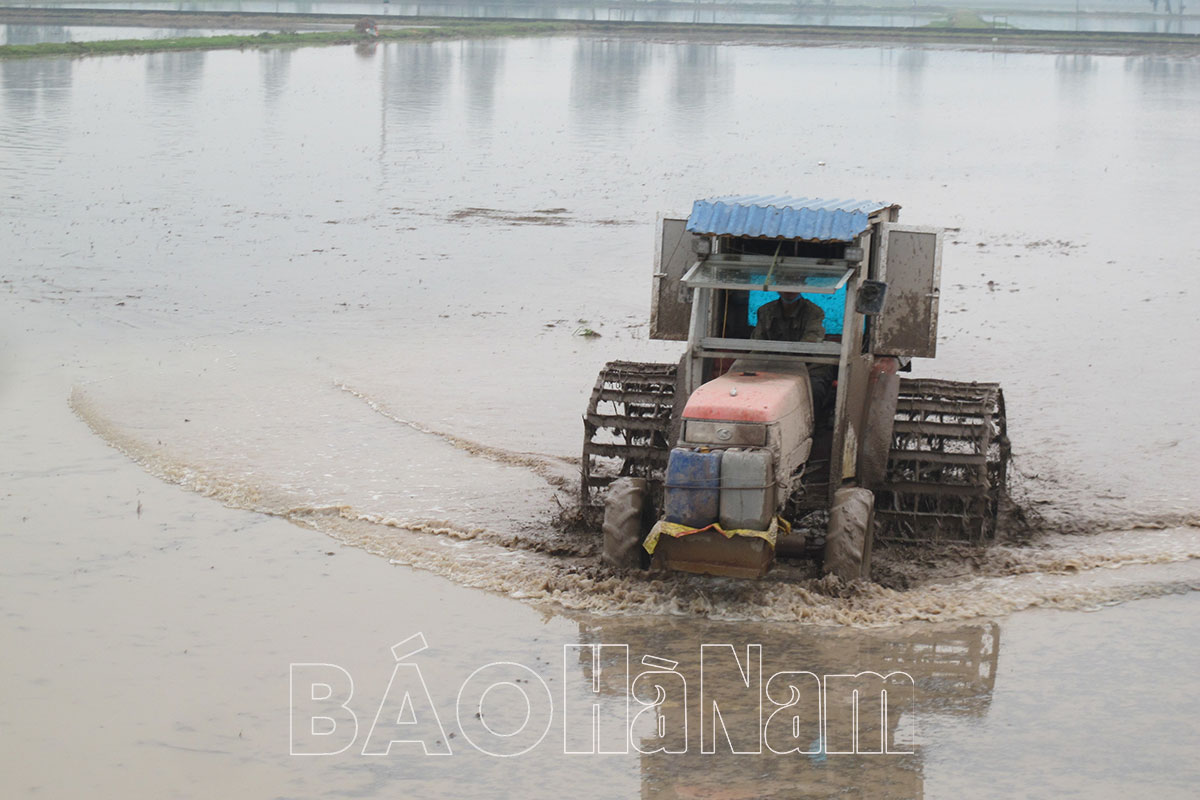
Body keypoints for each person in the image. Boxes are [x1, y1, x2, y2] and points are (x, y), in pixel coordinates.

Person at [752, 292, 835, 420]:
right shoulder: (765, 311)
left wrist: (785, 361)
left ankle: (812, 426)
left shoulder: (814, 312)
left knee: (814, 390)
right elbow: (757, 345)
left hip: (807, 366)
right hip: (772, 366)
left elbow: (810, 343)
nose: (789, 291)